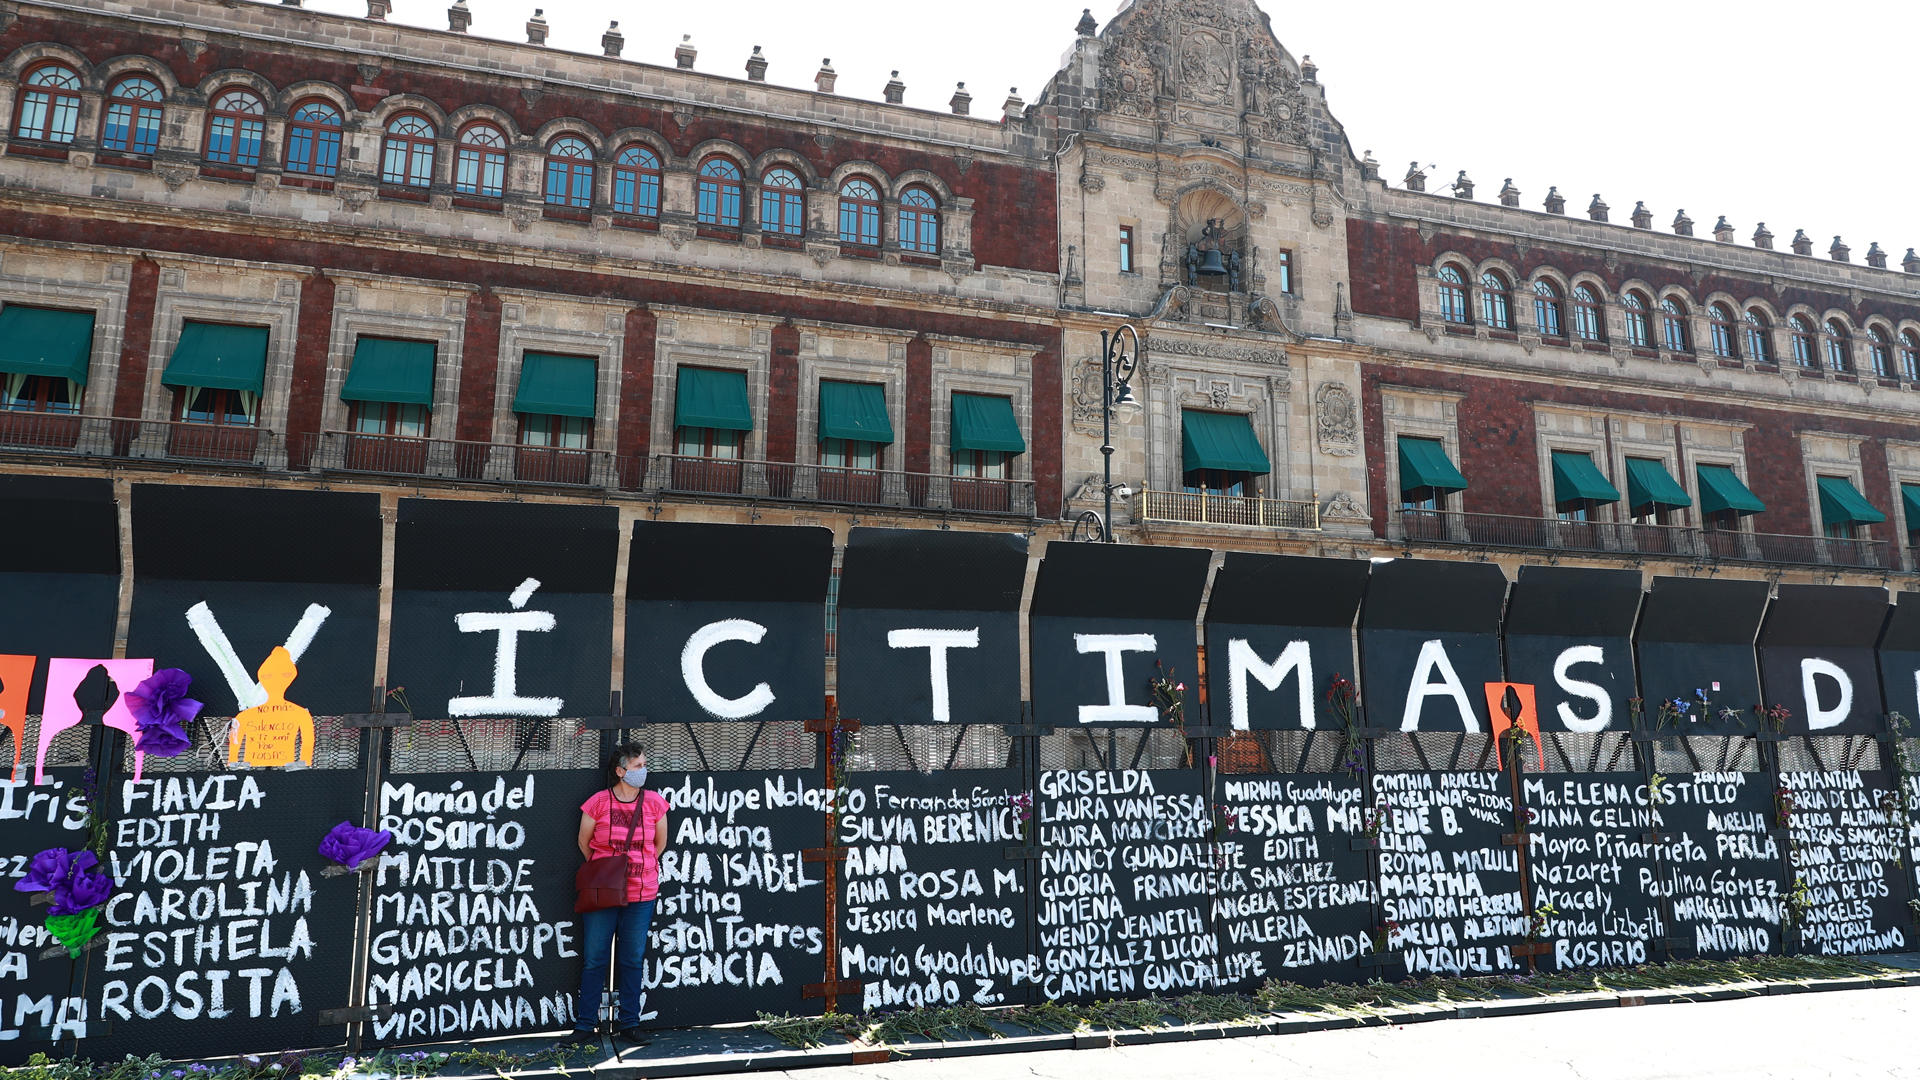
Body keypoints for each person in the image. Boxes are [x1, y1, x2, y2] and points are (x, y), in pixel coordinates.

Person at [574, 742, 668, 1045]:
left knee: (632, 960)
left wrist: (638, 868)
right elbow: (584, 843)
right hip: (602, 893)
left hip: (642, 893)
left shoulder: (654, 803)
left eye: (644, 765)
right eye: (638, 766)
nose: (643, 770)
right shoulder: (598, 803)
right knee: (594, 960)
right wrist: (609, 872)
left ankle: (630, 1023)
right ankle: (585, 1024)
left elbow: (659, 845)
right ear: (620, 771)